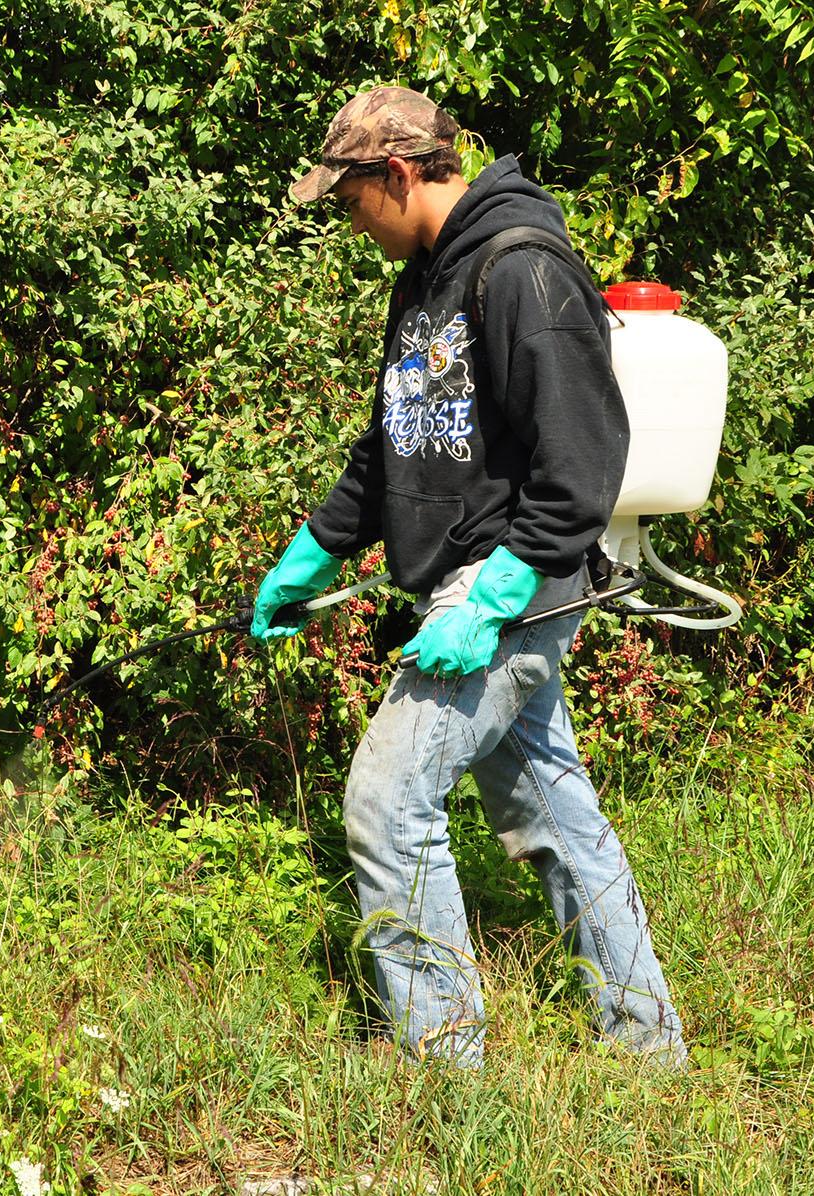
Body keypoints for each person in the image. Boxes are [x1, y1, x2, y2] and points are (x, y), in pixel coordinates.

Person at [251, 85, 684, 1068]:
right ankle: (647, 1045)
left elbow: (582, 470)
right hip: (466, 586)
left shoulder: (524, 271)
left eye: (351, 198)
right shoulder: (426, 276)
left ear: (397, 174)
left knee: (385, 800)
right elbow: (396, 440)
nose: (350, 220)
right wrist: (312, 550)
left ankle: (439, 1063)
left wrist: (489, 601)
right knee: (555, 815)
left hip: (511, 590)